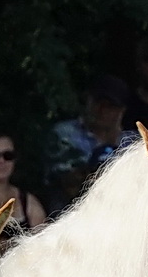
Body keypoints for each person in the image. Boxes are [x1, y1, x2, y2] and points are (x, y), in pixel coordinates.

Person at [49, 76, 128, 211]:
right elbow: (67, 184)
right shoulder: (64, 134)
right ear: (88, 100)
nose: (102, 110)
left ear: (121, 111)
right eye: (98, 103)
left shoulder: (133, 143)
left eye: (110, 106)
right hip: (70, 213)